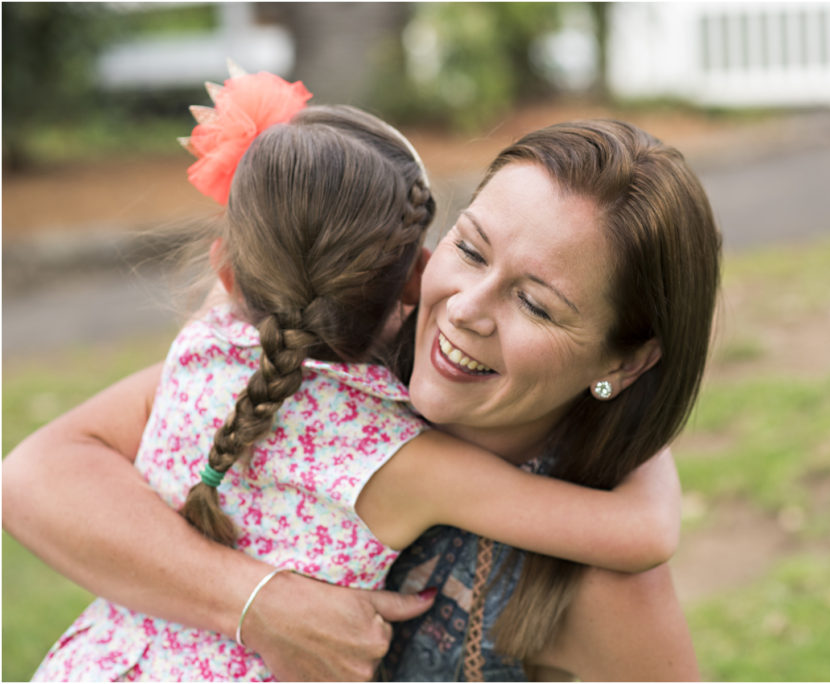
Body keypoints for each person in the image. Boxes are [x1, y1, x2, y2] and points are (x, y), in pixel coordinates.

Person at [4, 111, 720, 680]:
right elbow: (35, 477)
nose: (465, 307)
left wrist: (636, 442)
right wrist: (257, 604)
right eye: (469, 249)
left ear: (625, 362)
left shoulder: (604, 589)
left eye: (535, 303)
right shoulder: (328, 359)